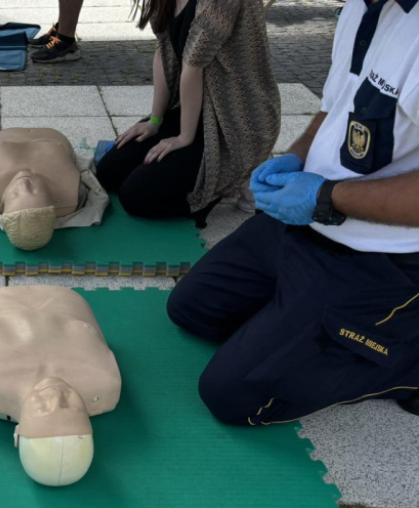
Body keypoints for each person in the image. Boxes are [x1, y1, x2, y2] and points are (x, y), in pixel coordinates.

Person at [167, 0, 419, 425]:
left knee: (231, 394)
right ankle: (300, 320)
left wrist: (327, 195)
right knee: (193, 308)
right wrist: (296, 158)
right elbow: (336, 107)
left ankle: (407, 361)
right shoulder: (362, 6)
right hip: (309, 222)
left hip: (381, 257)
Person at [95, 0, 278, 226]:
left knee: (135, 196)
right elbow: (163, 49)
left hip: (237, 124)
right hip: (196, 109)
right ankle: (210, 168)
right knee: (108, 172)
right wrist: (155, 120)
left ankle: (241, 173)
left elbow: (193, 64)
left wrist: (184, 137)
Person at [0, 286, 121, 486]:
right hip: (67, 299)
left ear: (18, 435)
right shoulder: (104, 381)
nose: (56, 399)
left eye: (46, 412)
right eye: (70, 408)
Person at [0, 127, 109, 250]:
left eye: (15, 194)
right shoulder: (67, 200)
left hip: (8, 133)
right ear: (52, 202)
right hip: (51, 134)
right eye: (35, 191)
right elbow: (92, 188)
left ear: (3, 205)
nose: (24, 184)